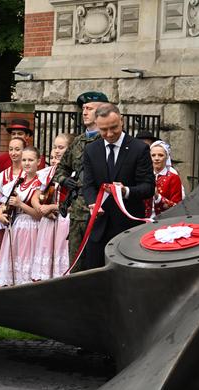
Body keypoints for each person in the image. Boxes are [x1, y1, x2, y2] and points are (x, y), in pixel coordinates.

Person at [81, 103, 154, 269]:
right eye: (103, 129)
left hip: (128, 227)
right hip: (99, 227)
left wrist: (125, 191)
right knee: (94, 276)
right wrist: (93, 203)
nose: (109, 134)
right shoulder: (91, 150)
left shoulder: (139, 148)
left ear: (122, 121)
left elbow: (148, 187)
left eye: (113, 127)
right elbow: (88, 185)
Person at [53, 91, 109, 272]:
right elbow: (60, 169)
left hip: (100, 211)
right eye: (83, 109)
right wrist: (64, 180)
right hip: (77, 212)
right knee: (76, 263)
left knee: (97, 263)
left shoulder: (108, 140)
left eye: (89, 109)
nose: (84, 112)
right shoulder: (78, 141)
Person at [0, 147, 42, 287]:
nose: (27, 163)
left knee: (27, 262)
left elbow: (39, 214)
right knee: (13, 264)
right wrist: (0, 214)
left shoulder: (40, 184)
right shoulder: (18, 182)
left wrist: (20, 204)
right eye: (24, 160)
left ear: (38, 162)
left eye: (31, 160)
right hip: (16, 226)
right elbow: (5, 203)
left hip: (32, 227)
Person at [32, 148, 70, 280]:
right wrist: (41, 209)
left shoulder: (73, 174)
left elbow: (73, 205)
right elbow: (35, 197)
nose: (54, 160)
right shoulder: (46, 174)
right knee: (46, 254)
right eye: (52, 157)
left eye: (58, 157)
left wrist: (52, 207)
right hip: (48, 220)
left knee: (60, 254)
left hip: (64, 220)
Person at [145, 140, 183, 219]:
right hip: (143, 221)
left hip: (164, 221)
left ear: (167, 157)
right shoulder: (144, 176)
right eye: (153, 155)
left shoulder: (173, 178)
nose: (156, 158)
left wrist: (158, 197)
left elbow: (177, 207)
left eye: (160, 155)